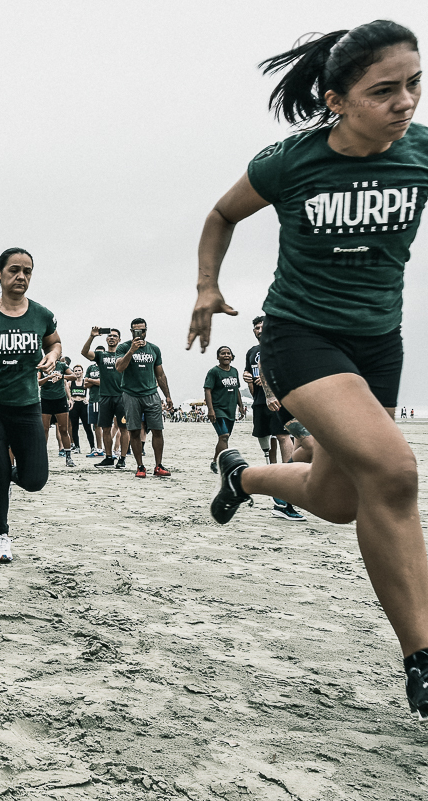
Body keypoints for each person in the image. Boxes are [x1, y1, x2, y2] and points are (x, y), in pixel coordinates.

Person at [185, 20, 428, 718]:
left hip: (378, 344)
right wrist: (207, 288)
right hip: (301, 337)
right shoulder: (290, 162)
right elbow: (221, 213)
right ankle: (422, 658)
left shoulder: (420, 153)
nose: (405, 102)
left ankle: (243, 476)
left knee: (341, 497)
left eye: (414, 84)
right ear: (337, 101)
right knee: (394, 473)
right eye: (384, 90)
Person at [0, 248, 57, 564]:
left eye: (27, 271)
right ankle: (1, 535)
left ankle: (6, 475)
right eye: (14, 270)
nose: (21, 276)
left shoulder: (41, 314)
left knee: (35, 479)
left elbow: (54, 341)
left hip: (27, 406)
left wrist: (52, 356)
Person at [244, 316, 302, 519]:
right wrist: (248, 378)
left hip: (279, 400)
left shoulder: (279, 346)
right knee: (265, 438)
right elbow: (251, 373)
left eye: (262, 326)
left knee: (283, 436)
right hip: (260, 401)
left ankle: (285, 479)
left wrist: (270, 385)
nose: (259, 330)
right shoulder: (252, 352)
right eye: (256, 328)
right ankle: (274, 473)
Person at [116, 318, 174, 478]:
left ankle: (158, 465)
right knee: (134, 431)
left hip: (151, 393)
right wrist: (131, 351)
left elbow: (160, 374)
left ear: (146, 331)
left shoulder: (154, 349)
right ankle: (140, 466)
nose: (139, 333)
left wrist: (168, 396)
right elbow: (119, 367)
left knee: (157, 430)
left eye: (142, 330)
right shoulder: (123, 347)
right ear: (131, 331)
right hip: (130, 394)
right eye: (136, 331)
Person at [83, 328, 127, 468]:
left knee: (124, 428)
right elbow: (84, 352)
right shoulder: (101, 355)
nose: (112, 338)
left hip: (121, 396)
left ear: (119, 340)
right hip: (105, 397)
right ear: (106, 339)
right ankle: (108, 457)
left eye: (115, 336)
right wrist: (92, 336)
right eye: (110, 336)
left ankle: (122, 459)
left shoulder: (123, 355)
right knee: (105, 428)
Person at [203, 346, 246, 471]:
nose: (226, 355)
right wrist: (210, 409)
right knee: (224, 436)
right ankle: (225, 465)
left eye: (228, 353)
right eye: (223, 353)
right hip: (218, 409)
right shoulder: (214, 372)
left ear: (232, 356)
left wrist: (241, 406)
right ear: (218, 357)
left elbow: (237, 390)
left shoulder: (234, 371)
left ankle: (215, 462)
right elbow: (207, 390)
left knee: (224, 438)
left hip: (230, 410)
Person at [38, 355, 74, 467]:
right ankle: (42, 457)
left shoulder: (62, 365)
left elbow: (73, 376)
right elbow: (38, 382)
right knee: (44, 429)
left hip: (60, 399)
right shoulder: (42, 366)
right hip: (46, 399)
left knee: (63, 429)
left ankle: (68, 457)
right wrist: (49, 377)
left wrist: (61, 376)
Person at [69, 364, 97, 456]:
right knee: (74, 427)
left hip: (83, 405)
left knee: (87, 427)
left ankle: (92, 447)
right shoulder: (71, 383)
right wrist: (69, 399)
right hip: (74, 405)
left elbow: (93, 390)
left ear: (82, 372)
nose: (77, 372)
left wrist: (88, 400)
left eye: (79, 370)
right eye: (75, 371)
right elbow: (64, 389)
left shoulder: (85, 382)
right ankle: (77, 447)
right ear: (73, 372)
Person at [85, 354, 105, 457]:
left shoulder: (105, 366)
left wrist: (91, 380)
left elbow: (103, 382)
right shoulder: (90, 368)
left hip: (103, 398)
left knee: (105, 425)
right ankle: (99, 448)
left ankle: (106, 448)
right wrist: (95, 381)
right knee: (96, 425)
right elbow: (85, 384)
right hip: (93, 399)